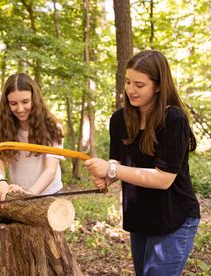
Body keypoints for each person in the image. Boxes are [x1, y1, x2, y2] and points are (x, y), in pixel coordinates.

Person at [84, 50, 200, 276]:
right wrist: (107, 175)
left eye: (139, 84)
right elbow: (117, 162)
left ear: (158, 86)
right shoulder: (120, 119)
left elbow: (163, 179)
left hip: (174, 218)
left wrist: (112, 169)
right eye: (128, 82)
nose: (130, 90)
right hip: (140, 217)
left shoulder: (173, 120)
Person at [0, 73, 64, 203]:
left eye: (25, 102)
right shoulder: (3, 128)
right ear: (7, 104)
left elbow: (50, 171)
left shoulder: (52, 127)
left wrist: (29, 194)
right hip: (18, 196)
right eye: (13, 103)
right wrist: (0, 181)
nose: (20, 108)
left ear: (34, 98)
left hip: (49, 195)